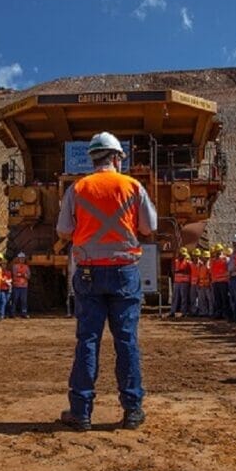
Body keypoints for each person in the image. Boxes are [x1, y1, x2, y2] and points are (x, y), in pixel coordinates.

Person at [56, 131, 156, 431]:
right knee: (126, 340)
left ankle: (81, 412)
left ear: (92, 159)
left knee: (88, 341)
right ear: (116, 158)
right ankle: (132, 410)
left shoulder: (78, 188)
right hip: (124, 272)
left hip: (88, 273)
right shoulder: (132, 186)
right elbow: (149, 227)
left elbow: (63, 230)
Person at [170, 247, 191, 318]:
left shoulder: (187, 262)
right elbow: (173, 270)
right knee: (175, 297)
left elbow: (188, 271)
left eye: (184, 255)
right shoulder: (176, 261)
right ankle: (172, 312)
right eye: (182, 254)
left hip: (184, 282)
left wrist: (179, 271)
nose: (183, 256)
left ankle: (184, 312)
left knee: (184, 298)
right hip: (177, 282)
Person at [11, 251, 30, 318]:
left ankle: (24, 313)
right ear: (18, 258)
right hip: (16, 286)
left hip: (24, 286)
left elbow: (28, 276)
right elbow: (15, 274)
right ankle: (12, 313)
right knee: (15, 300)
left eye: (23, 258)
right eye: (20, 258)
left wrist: (22, 275)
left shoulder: (26, 267)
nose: (22, 259)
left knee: (24, 301)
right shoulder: (15, 266)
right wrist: (23, 274)